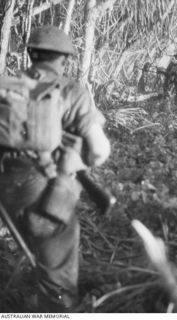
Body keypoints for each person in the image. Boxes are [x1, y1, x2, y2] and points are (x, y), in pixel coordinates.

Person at [0, 26, 110, 312]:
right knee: (57, 276)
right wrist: (79, 163)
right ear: (64, 59)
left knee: (32, 247)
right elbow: (99, 150)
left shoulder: (5, 85)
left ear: (31, 54)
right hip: (43, 196)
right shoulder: (71, 91)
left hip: (5, 194)